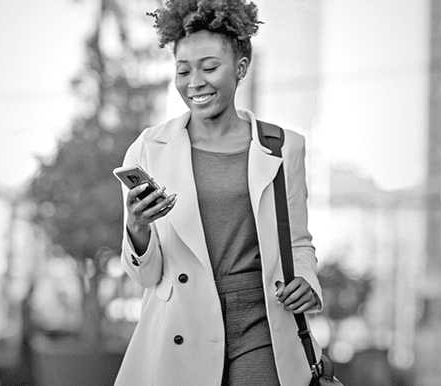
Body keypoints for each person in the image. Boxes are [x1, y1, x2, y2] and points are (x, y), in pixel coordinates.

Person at [114, 1, 323, 385]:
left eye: (210, 67)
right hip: (182, 317)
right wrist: (137, 227)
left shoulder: (283, 147)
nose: (194, 82)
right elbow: (146, 278)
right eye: (183, 70)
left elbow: (297, 241)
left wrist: (307, 281)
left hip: (262, 318)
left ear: (241, 68)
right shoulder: (149, 149)